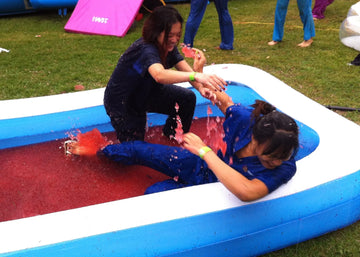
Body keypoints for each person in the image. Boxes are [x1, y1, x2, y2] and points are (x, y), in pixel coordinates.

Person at [98, 87, 300, 202]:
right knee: (138, 149)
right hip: (198, 164)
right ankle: (97, 150)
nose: (277, 161)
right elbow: (224, 102)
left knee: (153, 195)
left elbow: (247, 192)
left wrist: (204, 151)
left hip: (213, 190)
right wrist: (202, 78)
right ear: (255, 137)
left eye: (284, 155)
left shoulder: (285, 167)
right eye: (271, 156)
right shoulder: (245, 120)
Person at [104, 5, 227, 142]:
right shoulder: (146, 48)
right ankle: (96, 151)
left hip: (147, 92)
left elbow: (184, 69)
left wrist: (201, 87)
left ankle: (173, 139)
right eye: (170, 35)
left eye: (178, 35)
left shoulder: (167, 46)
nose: (174, 40)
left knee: (186, 99)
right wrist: (196, 75)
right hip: (123, 102)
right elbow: (159, 75)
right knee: (134, 151)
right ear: (156, 32)